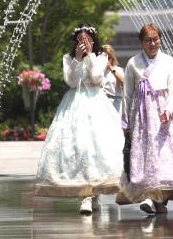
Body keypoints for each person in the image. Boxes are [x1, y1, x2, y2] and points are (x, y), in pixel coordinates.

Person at [116, 23, 173, 214]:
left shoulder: (168, 61)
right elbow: (128, 94)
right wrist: (125, 121)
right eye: (148, 40)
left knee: (166, 155)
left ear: (160, 40)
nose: (152, 43)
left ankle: (159, 198)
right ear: (141, 42)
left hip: (165, 115)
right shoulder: (133, 63)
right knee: (148, 156)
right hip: (142, 116)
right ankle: (153, 197)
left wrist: (168, 108)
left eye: (155, 39)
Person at [35, 24, 123, 215]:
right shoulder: (68, 58)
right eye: (80, 41)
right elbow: (71, 81)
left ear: (93, 40)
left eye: (87, 40)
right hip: (74, 104)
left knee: (97, 149)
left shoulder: (101, 56)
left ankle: (95, 193)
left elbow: (96, 78)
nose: (83, 43)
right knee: (79, 148)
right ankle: (85, 196)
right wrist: (77, 59)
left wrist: (90, 56)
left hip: (96, 103)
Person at [101, 44, 125, 114]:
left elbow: (123, 83)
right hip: (101, 102)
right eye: (103, 57)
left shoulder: (118, 69)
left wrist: (111, 69)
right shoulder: (98, 71)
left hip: (115, 102)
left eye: (108, 57)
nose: (106, 60)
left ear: (112, 57)